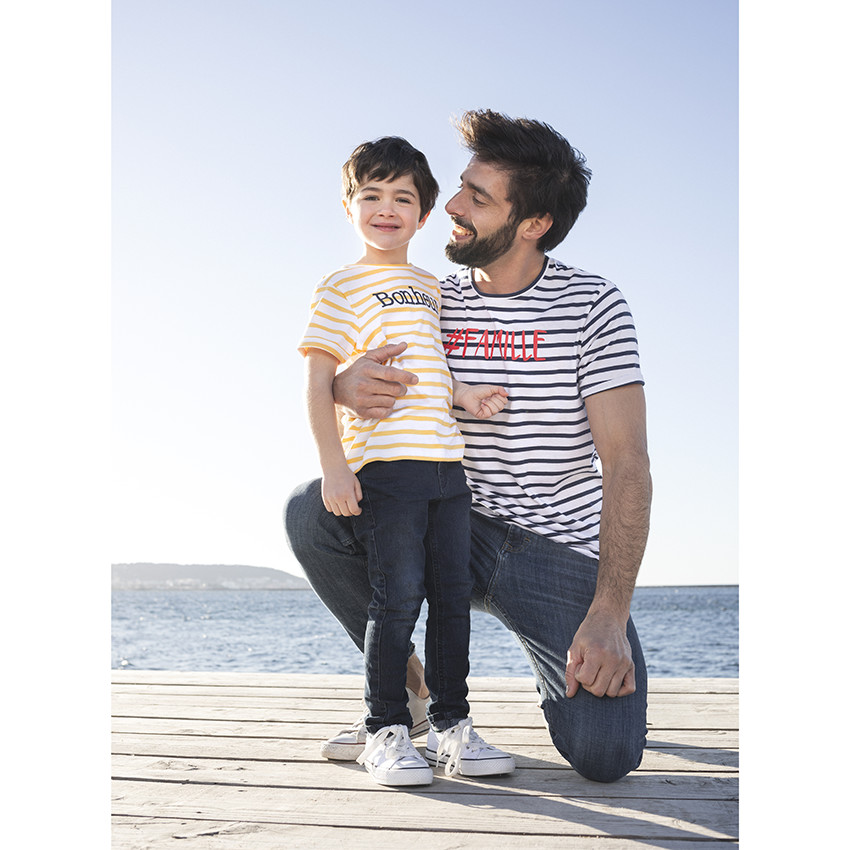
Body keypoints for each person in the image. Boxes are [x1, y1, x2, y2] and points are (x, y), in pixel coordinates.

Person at [285, 110, 652, 783]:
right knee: (312, 513)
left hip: (554, 553)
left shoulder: (592, 305)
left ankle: (582, 646)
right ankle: (414, 705)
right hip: (450, 517)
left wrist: (608, 614)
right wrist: (341, 386)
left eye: (477, 198)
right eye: (460, 187)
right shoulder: (432, 297)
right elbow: (358, 369)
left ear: (533, 222)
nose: (449, 205)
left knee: (606, 754)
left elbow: (628, 465)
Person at [298, 136, 516, 787]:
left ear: (423, 215)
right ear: (349, 206)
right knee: (394, 605)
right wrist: (334, 467)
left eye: (403, 198)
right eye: (372, 196)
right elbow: (317, 383)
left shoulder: (431, 286)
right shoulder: (339, 287)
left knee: (451, 602)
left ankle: (452, 726)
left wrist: (466, 395)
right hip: (385, 471)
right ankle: (386, 730)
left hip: (449, 473)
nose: (386, 209)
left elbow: (431, 370)